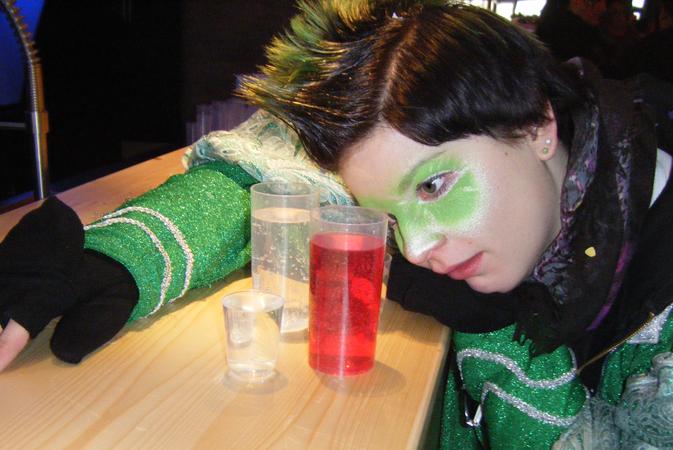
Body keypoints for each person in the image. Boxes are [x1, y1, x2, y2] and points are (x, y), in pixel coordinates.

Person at [1, 1, 672, 448]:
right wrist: (119, 257)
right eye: (387, 216)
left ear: (538, 125)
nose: (416, 247)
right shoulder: (519, 167)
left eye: (434, 185)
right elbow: (267, 174)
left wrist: (513, 343)